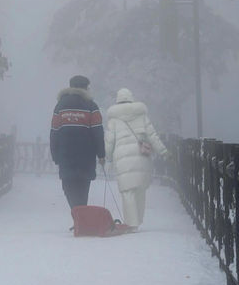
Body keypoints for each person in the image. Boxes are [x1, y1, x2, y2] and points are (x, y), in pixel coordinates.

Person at [104, 87, 168, 229]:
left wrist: (107, 157)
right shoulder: (142, 115)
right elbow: (152, 136)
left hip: (122, 158)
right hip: (141, 156)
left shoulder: (114, 119)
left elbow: (109, 141)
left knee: (127, 191)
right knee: (140, 189)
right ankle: (138, 220)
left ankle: (131, 223)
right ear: (131, 98)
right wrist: (164, 151)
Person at [49, 74, 106, 209]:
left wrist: (55, 155)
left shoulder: (60, 106)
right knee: (83, 188)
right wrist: (101, 154)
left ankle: (78, 217)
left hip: (65, 155)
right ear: (86, 88)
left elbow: (54, 132)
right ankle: (81, 218)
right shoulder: (91, 106)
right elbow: (98, 131)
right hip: (86, 155)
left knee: (68, 187)